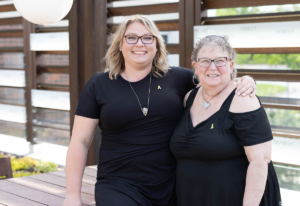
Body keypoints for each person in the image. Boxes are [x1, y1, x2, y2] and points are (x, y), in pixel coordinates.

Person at [63, 16, 257, 206]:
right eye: (131, 37)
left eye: (148, 38)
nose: (140, 43)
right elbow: (80, 141)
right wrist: (72, 196)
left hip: (171, 185)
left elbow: (215, 80)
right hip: (118, 185)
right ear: (120, 45)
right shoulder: (99, 84)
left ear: (156, 45)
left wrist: (244, 81)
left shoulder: (179, 78)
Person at [170, 35, 281, 206]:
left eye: (220, 61)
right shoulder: (189, 98)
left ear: (231, 65)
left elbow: (260, 161)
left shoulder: (243, 99)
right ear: (195, 67)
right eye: (205, 61)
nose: (212, 67)